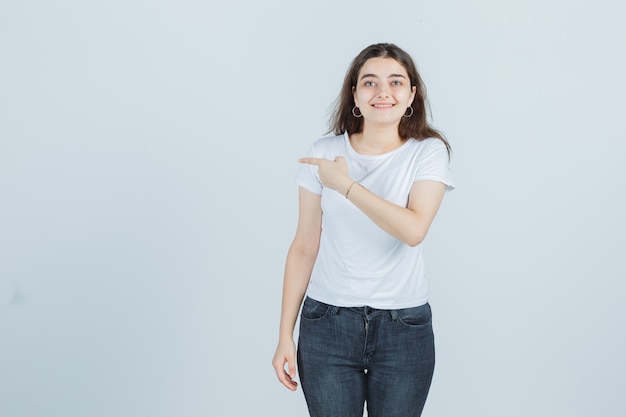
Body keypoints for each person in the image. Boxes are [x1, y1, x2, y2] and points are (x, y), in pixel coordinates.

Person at [272, 43, 454, 417]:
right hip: (327, 324)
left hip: (403, 326)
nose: (382, 92)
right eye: (369, 82)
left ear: (411, 96)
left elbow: (413, 229)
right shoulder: (323, 153)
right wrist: (284, 336)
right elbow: (305, 246)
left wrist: (347, 186)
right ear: (354, 94)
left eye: (396, 82)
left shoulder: (427, 152)